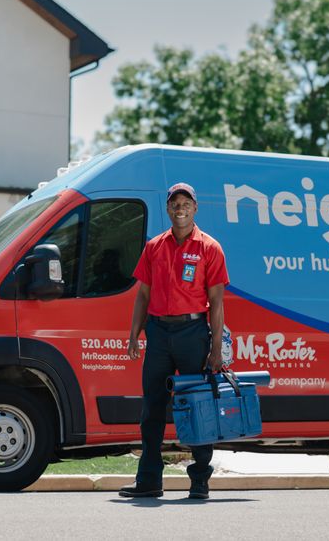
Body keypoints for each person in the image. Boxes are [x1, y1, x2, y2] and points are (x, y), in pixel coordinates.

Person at [119, 182, 229, 500]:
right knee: (152, 408)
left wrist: (216, 349)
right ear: (168, 209)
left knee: (198, 408)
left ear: (195, 208)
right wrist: (133, 335)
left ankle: (200, 482)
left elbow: (217, 303)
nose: (180, 207)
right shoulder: (154, 246)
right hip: (158, 334)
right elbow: (142, 294)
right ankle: (149, 480)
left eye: (186, 203)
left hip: (193, 334)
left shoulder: (210, 248)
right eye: (174, 203)